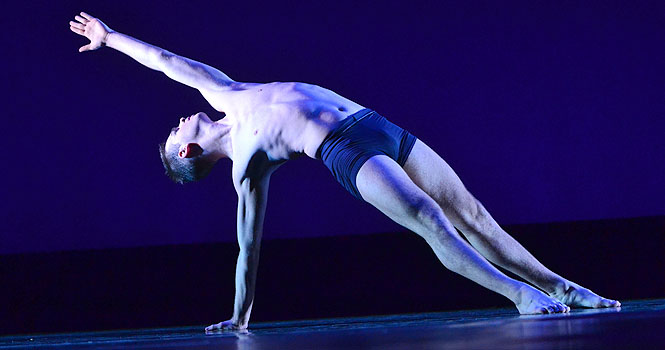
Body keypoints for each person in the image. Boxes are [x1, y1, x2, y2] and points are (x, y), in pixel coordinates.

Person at [69, 12, 621, 331]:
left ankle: (560, 286)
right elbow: (248, 248)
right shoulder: (246, 170)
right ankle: (519, 295)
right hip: (344, 151)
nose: (180, 119)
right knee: (429, 217)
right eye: (175, 133)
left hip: (372, 122)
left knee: (471, 211)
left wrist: (111, 37)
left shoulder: (225, 92)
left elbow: (166, 61)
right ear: (187, 154)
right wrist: (239, 317)